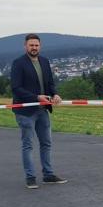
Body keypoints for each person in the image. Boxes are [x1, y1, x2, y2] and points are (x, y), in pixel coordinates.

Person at [11, 33, 67, 189]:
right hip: (26, 112)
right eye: (31, 45)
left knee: (46, 143)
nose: (34, 47)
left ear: (40, 46)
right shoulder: (18, 63)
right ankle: (30, 177)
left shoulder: (44, 61)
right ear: (25, 46)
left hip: (43, 110)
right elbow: (16, 88)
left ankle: (48, 175)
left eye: (36, 45)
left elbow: (50, 83)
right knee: (28, 145)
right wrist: (36, 97)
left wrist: (55, 94)